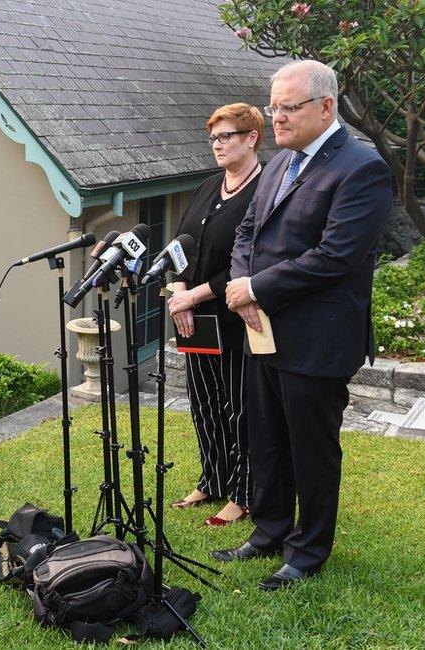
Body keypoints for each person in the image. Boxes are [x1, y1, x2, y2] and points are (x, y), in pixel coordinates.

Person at [216, 60, 392, 590]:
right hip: (263, 328)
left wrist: (257, 288)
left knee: (311, 448)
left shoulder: (362, 168)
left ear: (325, 107)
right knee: (265, 437)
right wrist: (245, 289)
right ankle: (269, 531)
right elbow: (247, 233)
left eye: (287, 108)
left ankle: (307, 551)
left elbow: (335, 257)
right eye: (273, 107)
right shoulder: (278, 163)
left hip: (317, 338)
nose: (276, 118)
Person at [166, 103, 264, 526]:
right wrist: (178, 292)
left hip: (235, 318)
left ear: (251, 138)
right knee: (203, 402)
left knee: (238, 406)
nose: (217, 145)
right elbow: (180, 244)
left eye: (226, 137)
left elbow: (252, 262)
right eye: (214, 138)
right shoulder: (208, 185)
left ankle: (243, 493)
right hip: (193, 317)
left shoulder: (265, 189)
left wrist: (194, 296)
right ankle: (212, 478)